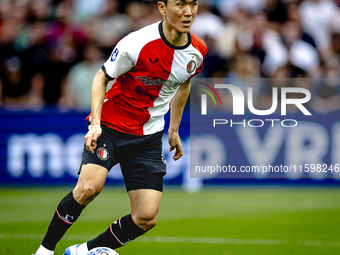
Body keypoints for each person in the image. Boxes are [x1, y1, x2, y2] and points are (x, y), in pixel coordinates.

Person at [33, 0, 206, 254]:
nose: (188, 11)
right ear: (162, 8)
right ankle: (44, 251)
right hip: (112, 128)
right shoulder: (136, 43)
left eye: (193, 4)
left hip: (148, 136)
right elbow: (101, 77)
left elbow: (184, 84)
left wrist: (174, 129)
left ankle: (83, 251)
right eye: (180, 4)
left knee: (146, 217)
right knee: (89, 188)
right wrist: (95, 124)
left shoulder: (197, 50)